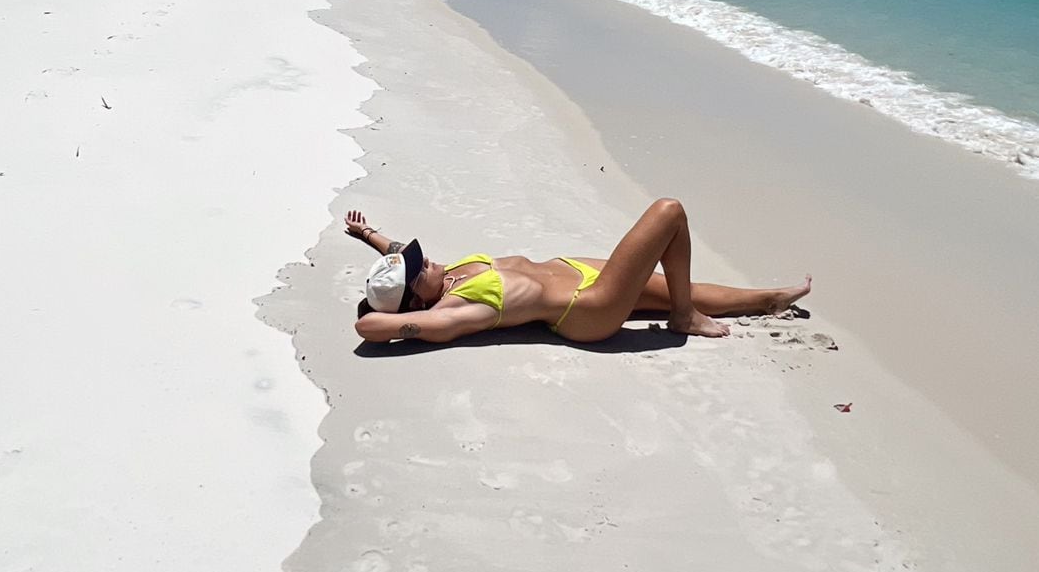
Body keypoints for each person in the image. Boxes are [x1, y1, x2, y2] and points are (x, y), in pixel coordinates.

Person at [346, 204, 810, 347]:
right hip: (585, 309)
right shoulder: (452, 310)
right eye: (414, 270)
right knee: (670, 214)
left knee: (678, 288)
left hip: (574, 271)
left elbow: (401, 255)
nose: (420, 259)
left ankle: (763, 300)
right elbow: (371, 326)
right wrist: (381, 316)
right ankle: (684, 318)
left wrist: (368, 235)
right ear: (414, 302)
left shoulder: (443, 276)